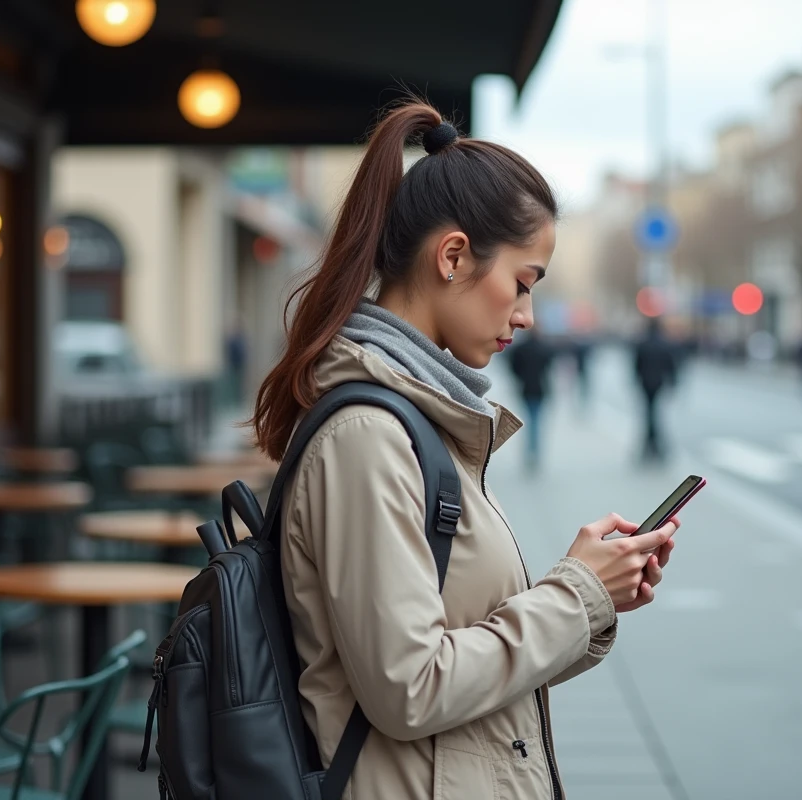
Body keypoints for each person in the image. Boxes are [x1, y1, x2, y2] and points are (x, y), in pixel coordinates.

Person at [250, 101, 680, 800]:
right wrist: (576, 595)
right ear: (453, 256)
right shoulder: (368, 436)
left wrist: (591, 592)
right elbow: (409, 688)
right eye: (523, 283)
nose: (527, 315)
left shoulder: (417, 419)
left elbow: (461, 659)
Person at [506, 326, 556, 471]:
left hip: (526, 387)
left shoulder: (520, 349)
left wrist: (520, 377)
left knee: (529, 420)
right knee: (536, 421)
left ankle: (529, 451)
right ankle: (535, 452)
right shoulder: (544, 348)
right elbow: (549, 367)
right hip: (540, 388)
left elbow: (513, 367)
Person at [634, 317, 677, 461]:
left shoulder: (643, 343)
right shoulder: (664, 344)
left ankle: (650, 445)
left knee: (649, 414)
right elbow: (671, 366)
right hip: (659, 383)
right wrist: (673, 383)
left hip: (646, 383)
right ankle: (655, 446)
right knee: (654, 415)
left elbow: (636, 366)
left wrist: (637, 381)